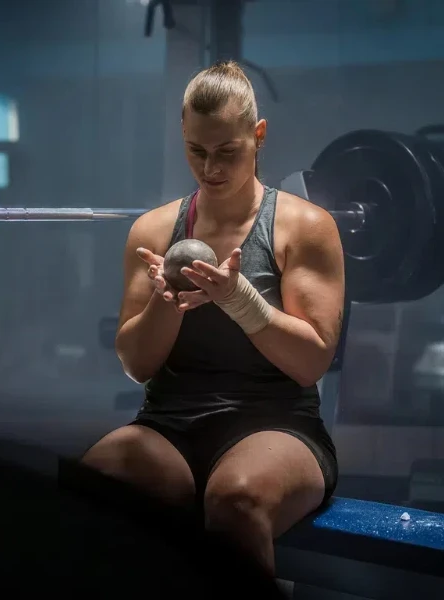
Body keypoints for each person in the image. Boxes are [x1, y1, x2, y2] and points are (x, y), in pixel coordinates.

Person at [81, 60, 345, 576]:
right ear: (183, 131)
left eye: (227, 151)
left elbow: (311, 362)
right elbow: (137, 364)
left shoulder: (305, 227)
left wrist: (238, 298)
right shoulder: (154, 231)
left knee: (235, 501)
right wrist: (165, 300)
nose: (211, 169)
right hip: (169, 425)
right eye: (197, 151)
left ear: (258, 134)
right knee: (87, 491)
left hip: (278, 426)